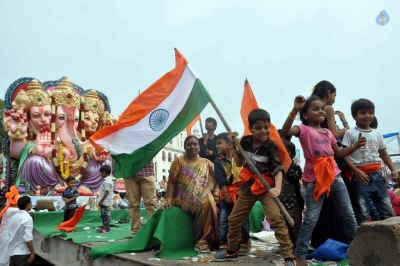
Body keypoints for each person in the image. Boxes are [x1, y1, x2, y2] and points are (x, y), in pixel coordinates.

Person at [281, 95, 366, 266]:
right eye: (315, 109)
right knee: (311, 217)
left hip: (334, 175)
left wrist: (355, 146)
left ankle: (357, 249)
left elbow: (338, 154)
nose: (321, 111)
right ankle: (300, 255)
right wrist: (295, 109)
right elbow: (285, 131)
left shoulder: (328, 132)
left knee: (348, 215)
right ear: (305, 115)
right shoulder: (303, 130)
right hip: (314, 178)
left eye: (322, 108)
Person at [213, 109, 295, 265]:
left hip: (266, 187)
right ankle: (232, 250)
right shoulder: (245, 141)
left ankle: (289, 257)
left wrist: (277, 188)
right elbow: (238, 163)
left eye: (266, 127)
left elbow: (278, 169)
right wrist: (233, 147)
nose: (263, 131)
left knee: (277, 219)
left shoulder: (271, 146)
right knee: (234, 219)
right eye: (258, 128)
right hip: (248, 186)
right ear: (251, 128)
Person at [342, 98, 398, 225]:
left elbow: (383, 153)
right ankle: (366, 241)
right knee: (362, 212)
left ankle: (389, 239)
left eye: (370, 112)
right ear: (354, 116)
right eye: (363, 113)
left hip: (377, 176)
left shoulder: (377, 133)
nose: (367, 116)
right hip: (361, 178)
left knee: (387, 210)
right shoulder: (350, 133)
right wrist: (356, 171)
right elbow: (344, 155)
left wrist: (393, 169)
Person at [165, 135, 220, 253]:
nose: (192, 146)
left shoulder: (207, 163)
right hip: (183, 197)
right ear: (184, 147)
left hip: (203, 194)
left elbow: (218, 179)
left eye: (195, 144)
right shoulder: (178, 161)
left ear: (199, 147)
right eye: (189, 144)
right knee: (205, 202)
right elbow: (171, 183)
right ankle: (201, 241)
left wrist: (216, 193)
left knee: (209, 201)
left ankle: (215, 239)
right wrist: (169, 199)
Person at [214, 132, 250, 255]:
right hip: (227, 193)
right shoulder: (218, 161)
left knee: (244, 219)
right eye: (216, 144)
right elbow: (220, 179)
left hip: (242, 192)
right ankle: (223, 244)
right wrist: (226, 194)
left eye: (219, 143)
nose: (217, 146)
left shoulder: (239, 157)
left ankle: (244, 242)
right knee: (224, 219)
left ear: (229, 145)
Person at [279, 140, 304, 251]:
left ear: (293, 154)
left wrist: (284, 166)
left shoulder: (295, 168)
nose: (284, 153)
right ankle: (288, 247)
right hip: (281, 203)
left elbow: (293, 176)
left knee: (295, 226)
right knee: (284, 227)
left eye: (287, 151)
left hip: (294, 203)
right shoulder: (276, 168)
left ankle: (298, 248)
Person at [123, 161, 157, 235]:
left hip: (147, 170)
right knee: (133, 205)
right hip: (129, 172)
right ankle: (135, 233)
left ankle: (154, 232)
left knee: (151, 204)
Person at [7, 196, 34, 266]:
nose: (31, 204)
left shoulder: (13, 217)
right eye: (30, 203)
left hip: (12, 252)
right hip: (21, 253)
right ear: (27, 205)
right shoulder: (28, 218)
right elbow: (27, 238)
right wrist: (32, 252)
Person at [0, 186, 20, 266]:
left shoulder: (8, 208)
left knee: (4, 251)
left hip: (5, 234)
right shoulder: (11, 210)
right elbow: (22, 211)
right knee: (5, 252)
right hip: (6, 235)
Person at [96, 165, 113, 233]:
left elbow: (107, 192)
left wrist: (101, 201)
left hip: (105, 201)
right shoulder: (106, 180)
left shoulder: (107, 181)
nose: (100, 175)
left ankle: (107, 228)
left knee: (106, 214)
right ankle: (104, 227)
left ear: (104, 172)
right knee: (103, 214)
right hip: (104, 201)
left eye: (100, 173)